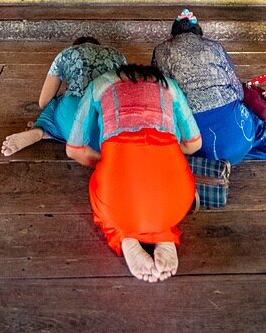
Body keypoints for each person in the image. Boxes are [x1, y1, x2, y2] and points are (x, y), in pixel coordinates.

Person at [66, 63, 201, 283]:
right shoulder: (169, 85)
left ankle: (123, 235)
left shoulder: (99, 85)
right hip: (176, 204)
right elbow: (194, 143)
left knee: (98, 183)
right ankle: (163, 232)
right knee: (173, 173)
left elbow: (74, 150)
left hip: (118, 206)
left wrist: (110, 160)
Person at [152, 9, 266, 165]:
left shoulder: (161, 51)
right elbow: (237, 90)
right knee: (250, 124)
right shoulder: (214, 46)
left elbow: (159, 89)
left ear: (173, 34)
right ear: (199, 33)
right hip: (237, 136)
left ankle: (209, 158)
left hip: (192, 142)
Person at [1, 36, 126, 156]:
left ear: (75, 46)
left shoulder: (66, 54)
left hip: (73, 119)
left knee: (54, 102)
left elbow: (43, 102)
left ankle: (41, 129)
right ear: (98, 45)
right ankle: (52, 132)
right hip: (111, 127)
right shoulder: (118, 55)